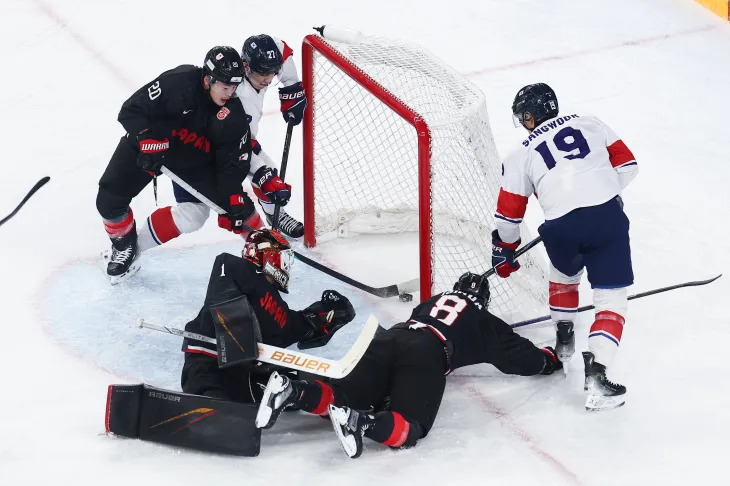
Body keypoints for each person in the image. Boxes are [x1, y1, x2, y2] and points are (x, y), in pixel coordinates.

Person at [255, 272, 562, 458]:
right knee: (411, 426)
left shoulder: (430, 301)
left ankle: (293, 391)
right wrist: (549, 359)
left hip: (389, 337)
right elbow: (521, 358)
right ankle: (362, 423)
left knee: (344, 395)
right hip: (427, 351)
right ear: (483, 300)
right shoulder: (484, 319)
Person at [491, 83, 638, 411]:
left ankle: (564, 335)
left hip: (561, 227)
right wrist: (596, 199)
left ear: (529, 117)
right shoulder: (591, 122)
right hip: (608, 218)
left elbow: (507, 217)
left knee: (563, 275)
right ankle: (598, 374)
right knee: (611, 301)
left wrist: (506, 248)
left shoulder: (519, 154)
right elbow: (628, 166)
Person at [96, 46, 266, 284]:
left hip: (193, 160)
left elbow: (232, 166)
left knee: (233, 209)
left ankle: (266, 244)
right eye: (224, 86)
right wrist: (144, 137)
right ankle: (123, 245)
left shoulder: (233, 114)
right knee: (109, 200)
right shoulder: (178, 82)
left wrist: (234, 199)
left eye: (234, 86)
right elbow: (131, 109)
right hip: (152, 145)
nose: (230, 92)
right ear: (208, 79)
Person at [180, 228, 356, 402]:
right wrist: (238, 340)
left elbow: (298, 325)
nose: (286, 266)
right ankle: (209, 410)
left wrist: (327, 314)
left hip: (246, 378)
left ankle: (348, 399)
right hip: (209, 364)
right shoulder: (238, 271)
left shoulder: (278, 307)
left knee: (298, 387)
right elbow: (224, 271)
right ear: (270, 256)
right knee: (212, 399)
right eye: (284, 258)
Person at [235, 34, 308, 239]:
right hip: (215, 147)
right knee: (196, 212)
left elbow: (281, 49)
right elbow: (239, 147)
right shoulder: (240, 96)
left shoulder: (263, 64)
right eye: (262, 74)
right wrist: (263, 175)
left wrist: (291, 87)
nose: (268, 79)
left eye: (272, 73)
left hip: (240, 137)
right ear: (246, 66)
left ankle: (274, 215)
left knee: (268, 171)